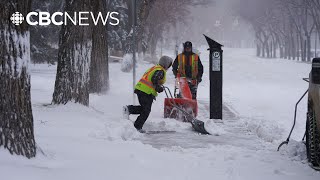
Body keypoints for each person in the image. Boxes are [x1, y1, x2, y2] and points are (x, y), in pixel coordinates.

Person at [123, 56, 173, 132]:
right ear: (166, 64)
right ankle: (137, 127)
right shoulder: (160, 70)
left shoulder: (155, 68)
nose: (168, 67)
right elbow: (154, 79)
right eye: (169, 65)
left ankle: (129, 109)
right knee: (146, 111)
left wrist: (158, 86)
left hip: (141, 89)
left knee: (144, 109)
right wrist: (158, 88)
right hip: (146, 91)